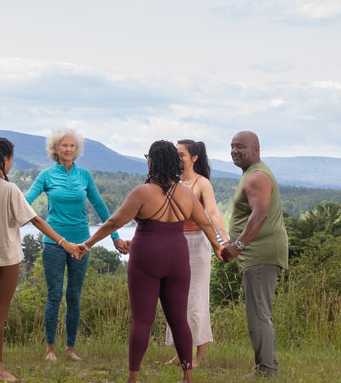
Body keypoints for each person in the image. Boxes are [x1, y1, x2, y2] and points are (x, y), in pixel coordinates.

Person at [80, 140, 221, 383]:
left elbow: (114, 223)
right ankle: (188, 376)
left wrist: (87, 244)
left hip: (146, 255)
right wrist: (219, 248)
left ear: (152, 161)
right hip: (178, 255)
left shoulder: (142, 192)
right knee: (179, 319)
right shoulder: (186, 193)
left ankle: (133, 378)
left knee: (142, 320)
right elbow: (206, 223)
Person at [0, 136, 87, 383]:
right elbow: (36, 219)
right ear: (4, 159)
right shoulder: (9, 189)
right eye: (11, 159)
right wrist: (63, 242)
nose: (12, 164)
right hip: (7, 256)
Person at [23, 127, 128, 361]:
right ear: (55, 149)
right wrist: (10, 214)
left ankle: (70, 349)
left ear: (76, 149)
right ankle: (51, 349)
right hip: (53, 243)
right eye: (64, 145)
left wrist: (115, 237)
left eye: (72, 146)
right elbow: (25, 203)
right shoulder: (46, 176)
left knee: (74, 295)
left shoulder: (85, 176)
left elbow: (101, 208)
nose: (68, 149)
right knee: (54, 296)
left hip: (82, 244)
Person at [218, 131, 288, 378]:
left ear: (256, 149)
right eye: (232, 146)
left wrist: (237, 246)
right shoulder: (250, 174)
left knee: (258, 315)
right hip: (255, 253)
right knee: (257, 313)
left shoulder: (257, 177)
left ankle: (267, 370)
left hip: (261, 255)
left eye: (241, 147)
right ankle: (265, 367)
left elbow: (259, 215)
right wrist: (233, 241)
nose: (234, 151)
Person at [163, 139, 226, 368]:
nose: (179, 158)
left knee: (196, 299)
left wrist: (225, 241)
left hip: (197, 244)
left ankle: (199, 356)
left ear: (194, 158)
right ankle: (181, 353)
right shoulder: (171, 182)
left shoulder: (201, 183)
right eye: (176, 154)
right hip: (174, 243)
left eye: (182, 154)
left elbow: (213, 213)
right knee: (174, 299)